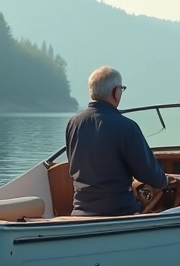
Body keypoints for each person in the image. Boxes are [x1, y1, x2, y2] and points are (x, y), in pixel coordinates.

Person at [65, 66, 169, 216]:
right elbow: (150, 175)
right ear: (115, 92)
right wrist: (164, 181)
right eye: (122, 88)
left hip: (80, 213)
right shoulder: (126, 127)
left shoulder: (73, 123)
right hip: (119, 212)